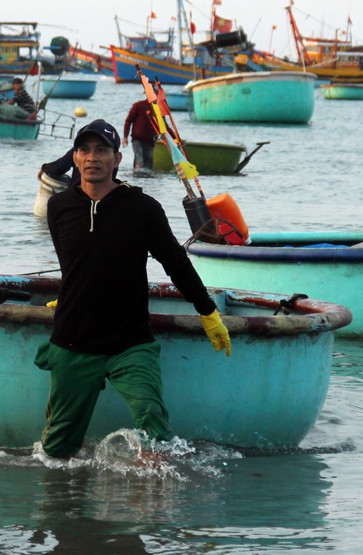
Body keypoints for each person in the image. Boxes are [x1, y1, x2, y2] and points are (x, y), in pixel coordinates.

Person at [36, 118, 231, 459]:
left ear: (117, 159)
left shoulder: (143, 209)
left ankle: (158, 503)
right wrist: (71, 295)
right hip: (72, 340)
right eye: (84, 150)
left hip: (131, 342)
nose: (92, 157)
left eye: (102, 150)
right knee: (57, 450)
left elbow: (176, 263)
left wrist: (207, 311)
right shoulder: (60, 207)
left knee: (154, 427)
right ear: (75, 157)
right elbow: (73, 264)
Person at [121, 98, 158, 172]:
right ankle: (137, 179)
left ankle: (147, 181)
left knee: (149, 166)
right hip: (138, 140)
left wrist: (174, 137)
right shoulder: (138, 105)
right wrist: (125, 137)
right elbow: (128, 121)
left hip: (150, 141)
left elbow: (164, 126)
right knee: (139, 161)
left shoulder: (158, 108)